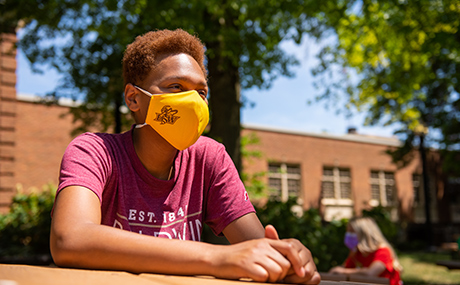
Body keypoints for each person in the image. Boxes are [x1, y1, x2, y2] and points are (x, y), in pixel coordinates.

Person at [50, 28, 321, 284]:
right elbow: (70, 237)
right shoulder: (94, 151)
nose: (193, 102)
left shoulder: (209, 158)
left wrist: (286, 262)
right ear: (133, 99)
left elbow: (256, 247)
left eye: (201, 92)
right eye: (176, 87)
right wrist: (217, 257)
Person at [328, 217, 403, 285]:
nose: (348, 235)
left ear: (364, 234)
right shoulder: (357, 252)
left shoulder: (383, 251)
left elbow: (371, 273)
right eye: (348, 231)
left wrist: (342, 271)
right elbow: (345, 269)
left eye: (352, 231)